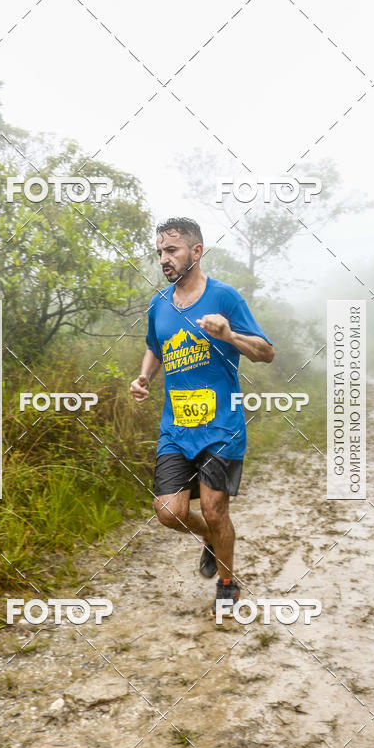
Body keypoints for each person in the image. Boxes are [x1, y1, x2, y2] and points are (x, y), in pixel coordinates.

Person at [130, 217, 274, 616]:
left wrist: (229, 335)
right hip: (176, 429)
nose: (164, 258)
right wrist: (143, 377)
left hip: (221, 427)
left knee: (215, 509)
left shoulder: (224, 297)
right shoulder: (159, 304)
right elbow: (155, 346)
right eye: (160, 251)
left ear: (196, 251)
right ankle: (212, 538)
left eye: (172, 250)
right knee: (168, 512)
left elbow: (266, 352)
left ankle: (227, 584)